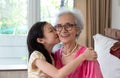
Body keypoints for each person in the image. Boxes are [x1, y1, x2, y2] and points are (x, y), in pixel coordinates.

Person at [27, 21, 98, 78]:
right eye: (51, 31)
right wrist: (83, 56)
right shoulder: (36, 56)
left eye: (55, 29)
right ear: (41, 40)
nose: (57, 32)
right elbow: (58, 75)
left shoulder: (52, 56)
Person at [54, 8, 103, 78]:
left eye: (68, 26)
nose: (63, 30)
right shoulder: (55, 55)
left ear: (77, 29)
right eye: (59, 26)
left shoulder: (88, 55)